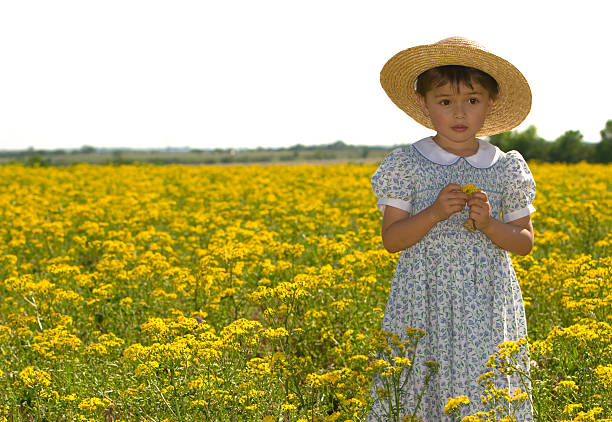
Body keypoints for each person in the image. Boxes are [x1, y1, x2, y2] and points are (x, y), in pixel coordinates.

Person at [368, 37, 535, 421]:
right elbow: (392, 241)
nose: (459, 112)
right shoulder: (407, 164)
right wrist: (434, 213)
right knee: (421, 387)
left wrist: (490, 224)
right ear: (425, 105)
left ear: (490, 104)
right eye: (445, 102)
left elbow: (524, 243)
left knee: (485, 387)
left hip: (487, 302)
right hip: (423, 298)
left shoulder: (506, 166)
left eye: (472, 101)